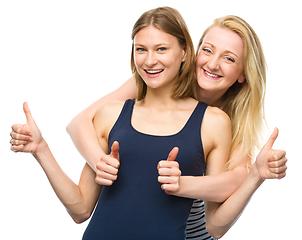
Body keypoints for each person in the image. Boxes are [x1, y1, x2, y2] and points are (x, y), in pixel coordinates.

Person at [10, 7, 234, 239]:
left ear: (185, 52)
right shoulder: (111, 114)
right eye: (140, 49)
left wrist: (254, 177)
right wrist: (41, 150)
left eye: (161, 49)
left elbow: (214, 223)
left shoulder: (213, 122)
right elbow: (80, 209)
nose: (149, 60)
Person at [62, 12, 287, 239]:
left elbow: (234, 183)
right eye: (207, 50)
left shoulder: (229, 125)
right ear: (191, 53)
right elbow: (78, 124)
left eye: (229, 58)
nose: (212, 63)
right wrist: (100, 163)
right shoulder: (155, 81)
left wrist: (183, 184)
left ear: (243, 74)